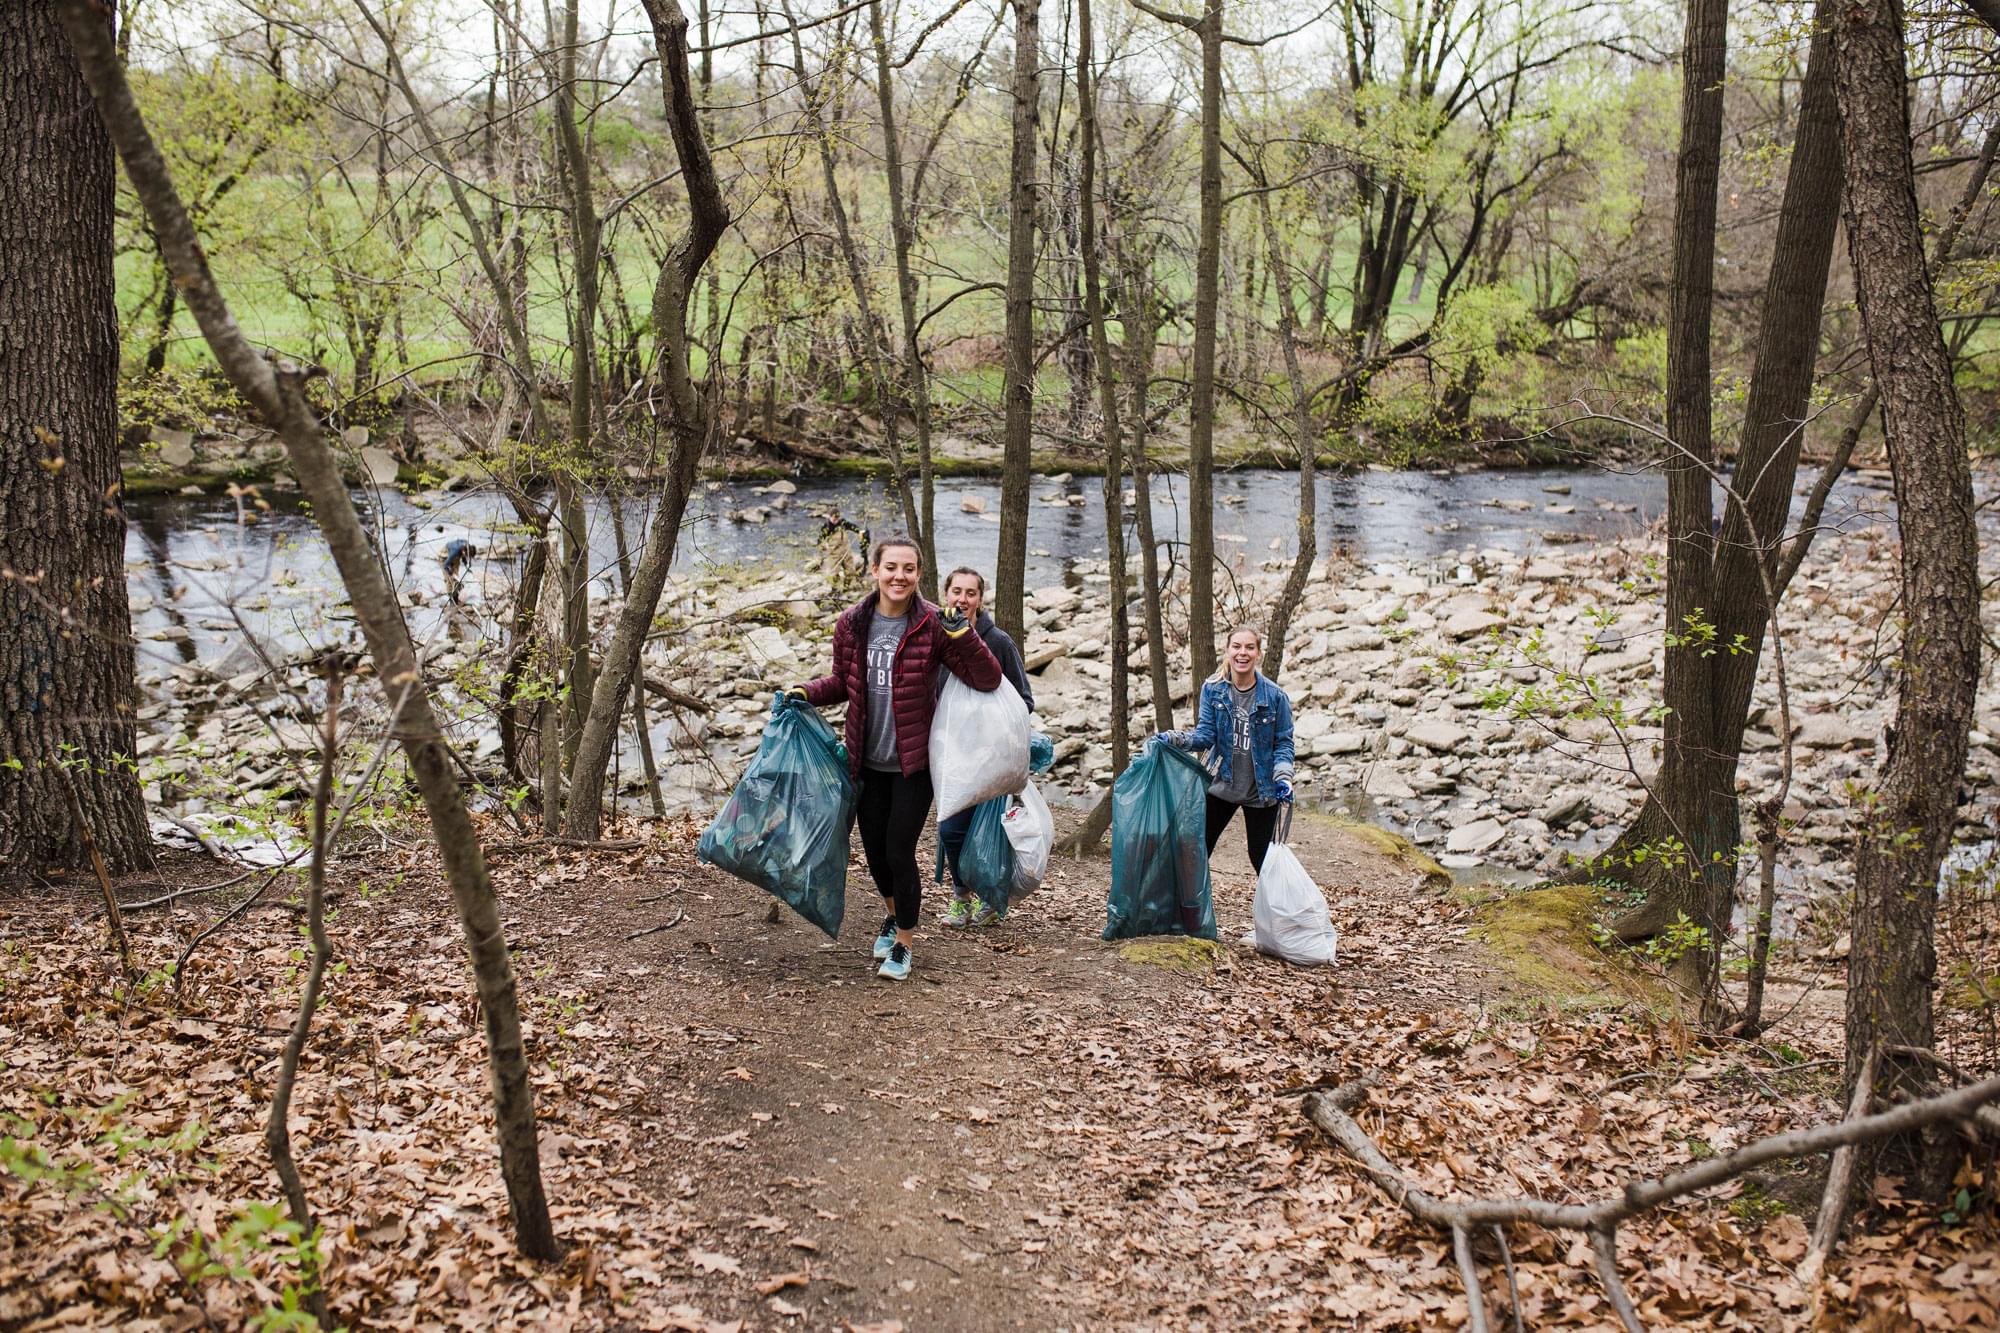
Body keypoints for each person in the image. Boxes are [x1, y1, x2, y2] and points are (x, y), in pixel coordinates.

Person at [791, 537, 1003, 980]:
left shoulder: (932, 623)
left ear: (919, 575)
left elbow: (987, 678)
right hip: (864, 761)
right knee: (874, 855)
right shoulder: (851, 623)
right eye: (891, 567)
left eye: (908, 569)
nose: (899, 576)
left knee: (899, 851)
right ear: (874, 570)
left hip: (914, 764)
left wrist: (961, 634)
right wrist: (806, 691)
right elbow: (840, 681)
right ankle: (891, 914)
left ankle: (905, 941)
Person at [934, 566, 1033, 928]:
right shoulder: (938, 638)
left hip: (993, 759)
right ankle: (961, 895)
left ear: (981, 598)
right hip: (952, 758)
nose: (962, 600)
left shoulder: (999, 642)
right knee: (950, 831)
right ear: (946, 594)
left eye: (970, 593)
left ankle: (990, 897)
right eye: (956, 592)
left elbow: (1024, 699)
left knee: (989, 830)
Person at [1156, 625, 1296, 874]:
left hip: (1261, 792)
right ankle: (1186, 909)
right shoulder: (1213, 689)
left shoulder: (1275, 697)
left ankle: (1280, 912)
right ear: (1227, 651)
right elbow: (1204, 736)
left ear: (1258, 654)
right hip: (1222, 786)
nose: (1243, 653)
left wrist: (1284, 777)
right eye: (1237, 646)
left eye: (1249, 648)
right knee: (1197, 850)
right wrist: (1173, 739)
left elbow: (1283, 742)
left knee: (1262, 860)